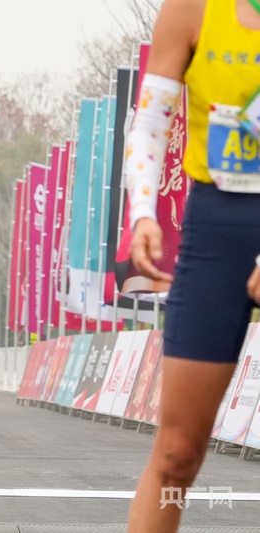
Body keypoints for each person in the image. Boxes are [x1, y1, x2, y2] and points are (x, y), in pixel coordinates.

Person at [125, 1, 260, 530]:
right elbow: (150, 124)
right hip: (219, 227)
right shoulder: (190, 9)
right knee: (177, 454)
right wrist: (143, 214)